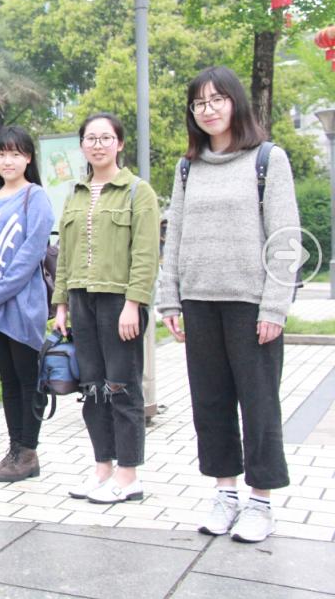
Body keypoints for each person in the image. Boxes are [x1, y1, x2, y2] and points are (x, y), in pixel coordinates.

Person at [159, 66, 299, 543]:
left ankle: (261, 501)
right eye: (199, 103)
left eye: (217, 99)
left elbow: (285, 239)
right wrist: (170, 299)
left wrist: (274, 307)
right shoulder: (188, 167)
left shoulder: (267, 159)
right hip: (199, 303)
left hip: (250, 305)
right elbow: (175, 235)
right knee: (211, 403)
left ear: (235, 103)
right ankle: (225, 494)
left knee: (259, 406)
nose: (208, 109)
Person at [52, 112, 159, 505]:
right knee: (93, 388)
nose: (97, 145)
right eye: (91, 138)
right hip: (82, 300)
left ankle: (129, 475)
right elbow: (64, 255)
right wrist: (61, 303)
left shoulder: (137, 192)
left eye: (105, 138)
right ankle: (103, 468)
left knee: (122, 388)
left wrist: (134, 303)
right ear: (82, 145)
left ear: (120, 143)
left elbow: (146, 255)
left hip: (119, 302)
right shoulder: (75, 194)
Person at [0, 126, 53, 481]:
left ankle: (29, 453)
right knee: (7, 381)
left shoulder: (36, 197)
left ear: (28, 158)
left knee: (28, 380)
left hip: (22, 306)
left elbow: (31, 253)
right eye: (2, 153)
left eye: (16, 154)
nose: (8, 161)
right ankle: (14, 449)